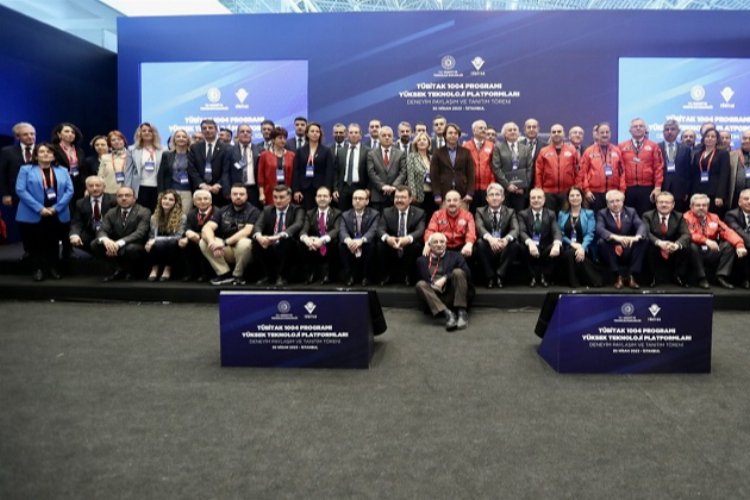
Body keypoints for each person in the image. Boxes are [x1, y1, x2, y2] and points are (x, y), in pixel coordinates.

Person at [15, 143, 74, 281]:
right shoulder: (25, 169)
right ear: (36, 156)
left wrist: (56, 208)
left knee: (53, 242)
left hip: (56, 212)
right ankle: (38, 269)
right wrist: (39, 208)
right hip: (33, 212)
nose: (46, 154)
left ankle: (53, 268)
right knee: (35, 243)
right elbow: (21, 190)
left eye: (49, 152)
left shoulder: (63, 170)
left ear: (54, 156)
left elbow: (69, 191)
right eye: (41, 152)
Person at [200, 184, 259, 285]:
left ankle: (238, 275)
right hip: (225, 249)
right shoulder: (223, 210)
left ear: (247, 196)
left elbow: (247, 231)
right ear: (230, 196)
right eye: (235, 194)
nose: (238, 196)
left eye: (241, 194)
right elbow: (207, 227)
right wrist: (212, 243)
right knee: (203, 241)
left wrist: (224, 243)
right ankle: (224, 274)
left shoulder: (254, 211)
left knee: (245, 243)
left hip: (245, 251)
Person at [683, 193, 746, 289]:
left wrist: (739, 244)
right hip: (695, 251)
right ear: (691, 206)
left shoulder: (714, 217)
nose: (701, 208)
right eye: (698, 205)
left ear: (708, 207)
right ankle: (702, 278)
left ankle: (721, 276)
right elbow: (689, 234)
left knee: (728, 245)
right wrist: (706, 241)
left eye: (704, 205)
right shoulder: (686, 217)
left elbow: (727, 231)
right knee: (692, 246)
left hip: (711, 251)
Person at [91, 186, 151, 282]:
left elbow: (140, 233)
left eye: (127, 195)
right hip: (116, 246)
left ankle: (133, 272)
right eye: (120, 196)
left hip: (136, 245)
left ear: (134, 198)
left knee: (131, 248)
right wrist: (106, 240)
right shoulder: (111, 212)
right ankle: (117, 269)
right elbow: (102, 230)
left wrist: (118, 243)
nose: (123, 198)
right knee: (95, 243)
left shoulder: (144, 211)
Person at [415, 232, 471, 331]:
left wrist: (445, 278)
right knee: (420, 284)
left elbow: (467, 273)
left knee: (458, 272)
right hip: (434, 297)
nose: (439, 244)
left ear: (446, 244)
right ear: (429, 245)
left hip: (452, 293)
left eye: (442, 242)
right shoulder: (422, 261)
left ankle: (461, 312)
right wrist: (431, 285)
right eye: (435, 242)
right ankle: (448, 314)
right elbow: (417, 279)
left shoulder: (456, 256)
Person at [251, 184, 305, 286]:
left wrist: (278, 236)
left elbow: (298, 224)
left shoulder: (297, 209)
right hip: (271, 245)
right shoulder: (267, 210)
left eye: (281, 197)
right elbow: (258, 225)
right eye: (275, 197)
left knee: (287, 240)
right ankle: (268, 276)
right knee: (256, 241)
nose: (278, 200)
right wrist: (260, 237)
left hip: (290, 248)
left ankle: (282, 276)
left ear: (289, 198)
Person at [595, 189, 648, 289]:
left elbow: (641, 226)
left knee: (643, 240)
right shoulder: (602, 213)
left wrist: (636, 237)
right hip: (612, 247)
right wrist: (617, 238)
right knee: (602, 242)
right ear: (607, 204)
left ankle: (631, 275)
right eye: (611, 201)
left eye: (618, 201)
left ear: (623, 201)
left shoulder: (631, 211)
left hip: (628, 246)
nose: (615, 204)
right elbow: (599, 229)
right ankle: (618, 276)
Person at [376, 185, 425, 286]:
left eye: (403, 197)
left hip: (408, 245)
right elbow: (380, 229)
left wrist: (407, 239)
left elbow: (420, 230)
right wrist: (388, 238)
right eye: (397, 197)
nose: (399, 200)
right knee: (380, 244)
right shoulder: (387, 212)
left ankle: (408, 276)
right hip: (392, 244)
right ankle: (386, 276)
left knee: (416, 245)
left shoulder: (419, 213)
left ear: (410, 199)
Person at [474, 183, 521, 288]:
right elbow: (480, 228)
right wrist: (491, 239)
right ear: (487, 198)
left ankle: (500, 275)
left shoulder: (510, 212)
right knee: (480, 243)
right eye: (491, 195)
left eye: (497, 194)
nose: (494, 198)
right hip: (488, 246)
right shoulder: (480, 211)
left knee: (515, 244)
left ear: (503, 198)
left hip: (503, 246)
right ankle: (490, 276)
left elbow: (515, 229)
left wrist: (505, 240)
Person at [641, 191, 690, 287]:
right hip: (655, 247)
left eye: (667, 202)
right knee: (646, 244)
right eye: (661, 202)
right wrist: (659, 243)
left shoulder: (679, 216)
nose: (664, 205)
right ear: (656, 204)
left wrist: (676, 245)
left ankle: (678, 276)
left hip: (672, 248)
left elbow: (686, 234)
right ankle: (651, 278)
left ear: (673, 205)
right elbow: (645, 233)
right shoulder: (647, 215)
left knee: (688, 246)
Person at [557, 185, 602, 288]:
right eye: (572, 195)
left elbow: (590, 234)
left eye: (578, 195)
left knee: (575, 253)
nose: (575, 198)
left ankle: (576, 281)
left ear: (582, 197)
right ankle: (576, 282)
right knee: (571, 252)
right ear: (568, 198)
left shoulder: (589, 213)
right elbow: (560, 233)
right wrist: (572, 243)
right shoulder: (562, 214)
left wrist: (582, 247)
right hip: (567, 246)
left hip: (585, 247)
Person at [618, 117, 664, 215]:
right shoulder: (621, 146)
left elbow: (658, 168)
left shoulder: (654, 146)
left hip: (647, 188)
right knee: (628, 216)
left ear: (645, 129)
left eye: (641, 126)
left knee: (645, 216)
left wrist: (657, 187)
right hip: (628, 188)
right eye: (635, 126)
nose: (638, 128)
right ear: (630, 130)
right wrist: (621, 189)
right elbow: (619, 170)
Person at [518, 188, 563, 287]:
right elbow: (522, 231)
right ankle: (532, 276)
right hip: (530, 246)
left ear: (544, 200)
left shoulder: (551, 214)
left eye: (539, 197)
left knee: (559, 247)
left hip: (545, 246)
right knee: (521, 247)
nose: (536, 200)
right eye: (533, 198)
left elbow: (556, 230)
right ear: (529, 200)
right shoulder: (523, 214)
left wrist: (557, 244)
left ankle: (545, 275)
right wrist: (530, 243)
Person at [534, 124, 581, 213]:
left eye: (559, 131)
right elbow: (538, 171)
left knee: (565, 216)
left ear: (564, 134)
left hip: (567, 191)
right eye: (554, 132)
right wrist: (539, 189)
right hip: (548, 192)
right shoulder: (544, 151)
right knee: (550, 217)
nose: (556, 134)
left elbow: (578, 171)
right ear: (550, 134)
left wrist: (577, 188)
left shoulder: (572, 150)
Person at [300, 186, 341, 285]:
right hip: (314, 245)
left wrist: (322, 240)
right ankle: (310, 274)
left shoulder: (337, 213)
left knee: (335, 241)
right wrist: (307, 239)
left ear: (330, 199)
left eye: (325, 196)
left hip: (329, 243)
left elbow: (336, 230)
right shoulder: (310, 213)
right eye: (319, 196)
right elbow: (303, 230)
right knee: (301, 243)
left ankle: (328, 274)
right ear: (315, 198)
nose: (322, 198)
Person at [580, 122, 626, 212]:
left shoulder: (617, 150)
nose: (605, 135)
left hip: (613, 193)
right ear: (597, 134)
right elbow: (583, 173)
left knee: (612, 218)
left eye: (607, 132)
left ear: (610, 134)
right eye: (602, 132)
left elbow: (622, 172)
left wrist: (622, 191)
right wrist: (586, 190)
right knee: (596, 217)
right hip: (595, 193)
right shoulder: (588, 151)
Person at [338, 188, 379, 286]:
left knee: (372, 245)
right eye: (355, 198)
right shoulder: (345, 215)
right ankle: (349, 276)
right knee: (341, 245)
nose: (357, 201)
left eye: (360, 198)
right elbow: (342, 230)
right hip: (352, 244)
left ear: (367, 201)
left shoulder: (374, 214)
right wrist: (349, 241)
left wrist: (361, 240)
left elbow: (373, 230)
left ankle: (366, 277)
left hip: (365, 243)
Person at [430, 123, 475, 206]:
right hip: (443, 194)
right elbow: (434, 175)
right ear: (445, 135)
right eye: (450, 133)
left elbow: (471, 174)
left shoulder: (466, 152)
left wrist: (470, 193)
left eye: (455, 133)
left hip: (463, 194)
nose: (453, 135)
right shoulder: (438, 153)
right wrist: (437, 194)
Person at [491, 121, 533, 212]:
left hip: (521, 192)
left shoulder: (526, 148)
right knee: (506, 216)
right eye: (510, 130)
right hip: (505, 191)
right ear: (504, 134)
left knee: (520, 216)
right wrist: (507, 185)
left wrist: (523, 187)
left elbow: (529, 169)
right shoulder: (498, 148)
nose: (513, 132)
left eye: (515, 130)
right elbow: (496, 168)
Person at [145, 190, 186, 282]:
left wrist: (156, 240)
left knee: (171, 243)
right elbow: (152, 235)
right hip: (158, 246)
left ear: (175, 203)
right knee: (151, 243)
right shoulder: (154, 217)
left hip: (173, 245)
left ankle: (167, 269)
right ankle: (154, 268)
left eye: (171, 200)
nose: (167, 201)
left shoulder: (182, 217)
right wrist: (150, 241)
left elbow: (178, 237)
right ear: (161, 200)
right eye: (165, 198)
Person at [69, 175, 116, 255]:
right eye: (91, 186)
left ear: (104, 187)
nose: (94, 188)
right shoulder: (80, 203)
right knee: (75, 241)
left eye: (98, 185)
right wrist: (74, 235)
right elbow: (77, 222)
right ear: (86, 188)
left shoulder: (113, 200)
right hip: (90, 232)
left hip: (109, 232)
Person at [292, 122, 334, 210]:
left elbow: (329, 172)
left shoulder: (326, 151)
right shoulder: (300, 151)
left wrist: (327, 189)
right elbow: (296, 171)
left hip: (320, 187)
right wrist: (296, 190)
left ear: (320, 134)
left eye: (317, 131)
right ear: (307, 133)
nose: (315, 133)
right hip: (304, 187)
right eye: (312, 131)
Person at [187, 119, 228, 207]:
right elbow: (192, 169)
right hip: (200, 190)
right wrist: (202, 185)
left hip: (219, 191)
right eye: (204, 128)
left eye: (210, 128)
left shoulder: (226, 148)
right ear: (201, 131)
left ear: (216, 130)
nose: (207, 130)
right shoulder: (195, 148)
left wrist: (218, 184)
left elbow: (227, 169)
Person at [424, 189, 476, 258]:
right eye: (449, 200)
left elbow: (471, 232)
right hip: (442, 247)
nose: (452, 203)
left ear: (460, 202)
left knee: (473, 249)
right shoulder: (437, 215)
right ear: (445, 203)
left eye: (455, 200)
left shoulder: (468, 215)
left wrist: (469, 244)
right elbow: (430, 230)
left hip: (461, 247)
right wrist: (428, 243)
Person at [691, 127, 730, 217]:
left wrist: (720, 195)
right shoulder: (698, 154)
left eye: (713, 136)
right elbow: (694, 174)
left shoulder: (723, 154)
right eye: (707, 136)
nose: (710, 138)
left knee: (712, 217)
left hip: (714, 192)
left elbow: (724, 175)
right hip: (698, 191)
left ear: (717, 139)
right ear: (703, 138)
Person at [178, 189, 215, 282]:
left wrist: (198, 235)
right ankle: (189, 273)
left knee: (202, 243)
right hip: (194, 238)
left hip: (212, 239)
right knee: (183, 243)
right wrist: (187, 236)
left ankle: (205, 274)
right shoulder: (191, 213)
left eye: (205, 199)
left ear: (211, 201)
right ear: (194, 202)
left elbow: (217, 231)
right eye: (199, 199)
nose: (202, 201)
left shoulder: (217, 212)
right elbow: (187, 228)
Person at [126, 122, 164, 212]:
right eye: (144, 131)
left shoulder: (163, 150)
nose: (147, 133)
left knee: (156, 214)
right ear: (140, 133)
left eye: (150, 131)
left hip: (158, 188)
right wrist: (127, 190)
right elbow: (128, 171)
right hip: (139, 188)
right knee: (140, 214)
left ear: (154, 133)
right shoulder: (132, 150)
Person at [367, 126, 406, 212]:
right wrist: (382, 186)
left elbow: (403, 172)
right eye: (384, 135)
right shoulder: (371, 154)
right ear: (379, 137)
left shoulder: (400, 153)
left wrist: (394, 186)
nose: (387, 137)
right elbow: (371, 172)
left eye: (389, 135)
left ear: (393, 137)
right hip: (378, 196)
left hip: (395, 195)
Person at [51, 122, 90, 203]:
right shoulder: (53, 149)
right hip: (61, 185)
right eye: (67, 131)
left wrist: (86, 187)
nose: (70, 134)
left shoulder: (79, 150)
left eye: (73, 132)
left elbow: (84, 170)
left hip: (78, 185)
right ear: (59, 134)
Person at [658, 119, 693, 213]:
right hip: (662, 187)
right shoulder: (657, 147)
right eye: (667, 129)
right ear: (663, 132)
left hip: (680, 189)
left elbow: (688, 172)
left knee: (678, 214)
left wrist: (687, 191)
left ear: (678, 131)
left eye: (673, 129)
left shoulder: (686, 149)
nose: (669, 132)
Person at [222, 124, 260, 208]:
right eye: (242, 131)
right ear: (238, 134)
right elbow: (225, 172)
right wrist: (227, 190)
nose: (245, 133)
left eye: (248, 132)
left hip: (254, 190)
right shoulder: (229, 150)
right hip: (236, 190)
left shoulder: (259, 149)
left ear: (251, 134)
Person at [333, 123, 369, 212]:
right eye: (351, 132)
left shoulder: (367, 151)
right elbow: (336, 172)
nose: (353, 135)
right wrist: (335, 189)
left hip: (360, 188)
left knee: (360, 213)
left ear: (360, 135)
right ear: (347, 135)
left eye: (356, 132)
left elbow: (370, 172)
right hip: (343, 188)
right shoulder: (340, 151)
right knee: (343, 214)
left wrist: (368, 189)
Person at [1, 122, 36, 209]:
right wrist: (5, 194)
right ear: (17, 137)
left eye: (32, 134)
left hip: (38, 195)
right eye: (25, 134)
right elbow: (2, 174)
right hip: (15, 196)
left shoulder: (42, 150)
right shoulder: (7, 151)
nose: (30, 137)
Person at [258, 127, 295, 207]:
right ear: (273, 140)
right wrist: (261, 193)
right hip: (269, 192)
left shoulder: (291, 155)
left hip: (287, 191)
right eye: (280, 138)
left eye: (284, 138)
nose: (283, 140)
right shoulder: (264, 155)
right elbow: (260, 176)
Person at [158, 128, 193, 211]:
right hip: (171, 191)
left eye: (184, 137)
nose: (181, 138)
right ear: (174, 139)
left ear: (188, 140)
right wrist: (161, 193)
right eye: (178, 136)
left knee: (184, 215)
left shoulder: (192, 155)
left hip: (187, 191)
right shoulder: (167, 155)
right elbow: (161, 175)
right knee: (170, 215)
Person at [463, 119, 495, 211]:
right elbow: (463, 168)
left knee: (486, 213)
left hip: (487, 187)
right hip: (471, 188)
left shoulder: (491, 146)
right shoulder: (466, 146)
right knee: (473, 212)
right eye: (481, 128)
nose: (483, 130)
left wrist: (492, 184)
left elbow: (494, 166)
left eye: (485, 128)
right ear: (474, 131)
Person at [405, 131, 436, 221]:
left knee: (430, 219)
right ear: (416, 144)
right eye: (419, 140)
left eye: (424, 139)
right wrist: (413, 194)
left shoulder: (432, 158)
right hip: (418, 195)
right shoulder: (412, 157)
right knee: (418, 220)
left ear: (428, 143)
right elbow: (410, 176)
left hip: (432, 194)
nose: (422, 141)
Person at [724, 188, 750, 288]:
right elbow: (738, 231)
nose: (749, 202)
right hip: (738, 242)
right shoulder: (731, 215)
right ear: (739, 202)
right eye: (746, 199)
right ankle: (745, 279)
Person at [101, 130, 131, 194]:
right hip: (109, 192)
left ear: (124, 141)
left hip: (127, 193)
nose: (117, 142)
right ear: (109, 143)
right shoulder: (104, 157)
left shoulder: (131, 156)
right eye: (113, 140)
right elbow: (100, 177)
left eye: (119, 139)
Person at [728, 130, 750, 209]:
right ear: (740, 140)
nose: (747, 141)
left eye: (749, 138)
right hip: (736, 196)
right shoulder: (732, 155)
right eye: (744, 138)